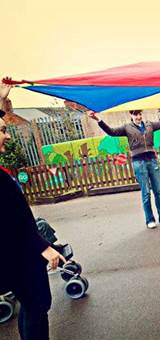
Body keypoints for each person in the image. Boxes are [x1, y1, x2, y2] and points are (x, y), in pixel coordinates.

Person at [1, 78, 66, 340]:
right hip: (18, 253)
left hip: (17, 250)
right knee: (37, 305)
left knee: (33, 306)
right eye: (3, 131)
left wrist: (3, 98)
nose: (7, 135)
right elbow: (9, 219)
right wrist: (42, 246)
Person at [88, 108, 160, 229]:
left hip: (152, 160)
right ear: (131, 115)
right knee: (146, 192)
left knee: (158, 191)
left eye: (139, 114)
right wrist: (98, 119)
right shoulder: (127, 128)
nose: (138, 117)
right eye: (135, 115)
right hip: (139, 162)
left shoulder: (150, 125)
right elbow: (111, 132)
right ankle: (149, 220)